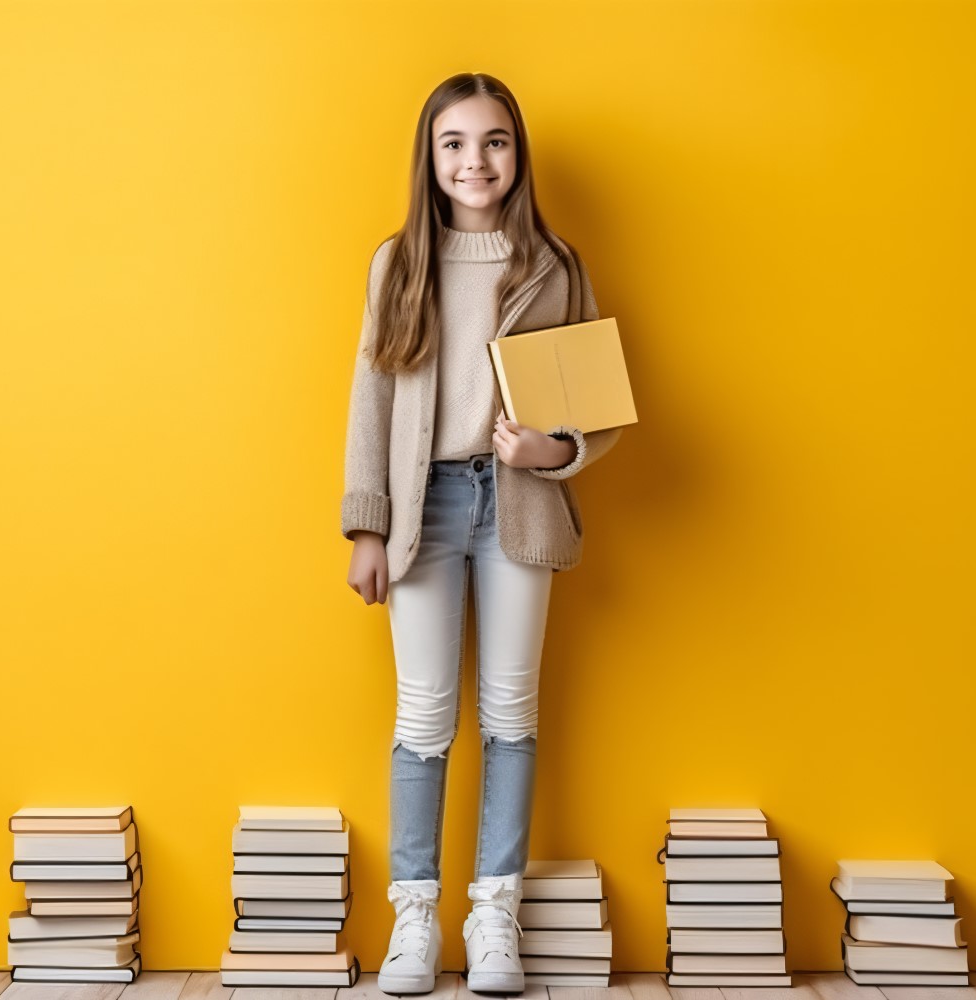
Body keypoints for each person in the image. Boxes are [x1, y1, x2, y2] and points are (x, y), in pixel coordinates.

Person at [341, 73, 623, 995]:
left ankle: (493, 913)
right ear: (431, 158)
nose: (475, 160)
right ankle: (414, 919)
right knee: (423, 715)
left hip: (518, 506)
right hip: (425, 510)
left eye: (494, 141)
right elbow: (371, 403)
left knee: (511, 712)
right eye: (454, 143)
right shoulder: (399, 265)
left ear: (518, 152)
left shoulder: (555, 263)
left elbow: (599, 405)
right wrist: (367, 527)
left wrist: (555, 450)